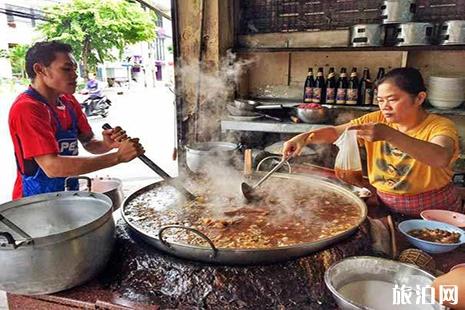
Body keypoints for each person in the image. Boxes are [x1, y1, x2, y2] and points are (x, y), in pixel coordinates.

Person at [282, 67, 461, 217]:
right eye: (380, 100)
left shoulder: (440, 126)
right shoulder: (377, 119)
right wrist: (304, 138)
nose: (385, 106)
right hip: (386, 204)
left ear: (419, 98)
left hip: (434, 210)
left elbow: (441, 157)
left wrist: (390, 135)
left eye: (392, 100)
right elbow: (335, 133)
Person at [8, 41, 144, 200]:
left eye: (74, 68)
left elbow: (90, 143)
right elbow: (52, 167)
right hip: (35, 201)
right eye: (66, 69)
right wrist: (117, 157)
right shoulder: (27, 108)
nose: (75, 74)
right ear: (40, 70)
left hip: (68, 193)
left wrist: (107, 144)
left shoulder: (68, 101)